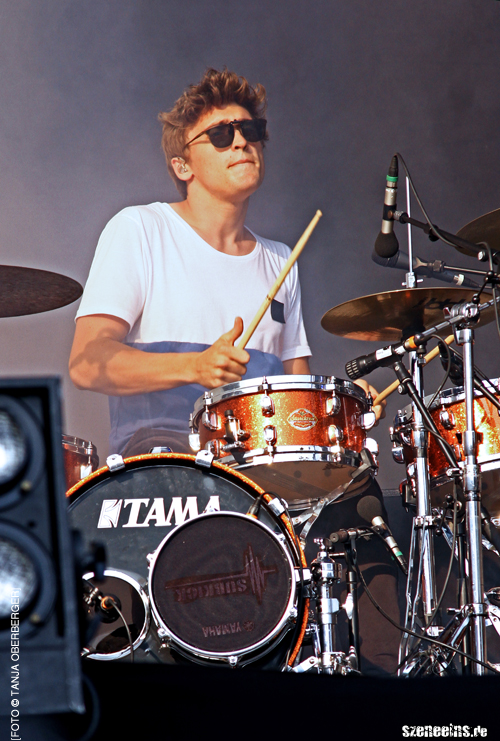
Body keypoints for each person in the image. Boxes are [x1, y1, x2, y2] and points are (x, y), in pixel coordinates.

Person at [69, 68, 397, 674]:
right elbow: (87, 362)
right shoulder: (140, 231)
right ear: (182, 165)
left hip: (261, 477)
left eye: (252, 130)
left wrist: (343, 416)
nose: (242, 141)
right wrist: (194, 366)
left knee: (362, 498)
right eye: (221, 134)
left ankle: (380, 687)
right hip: (165, 462)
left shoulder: (280, 260)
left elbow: (297, 399)